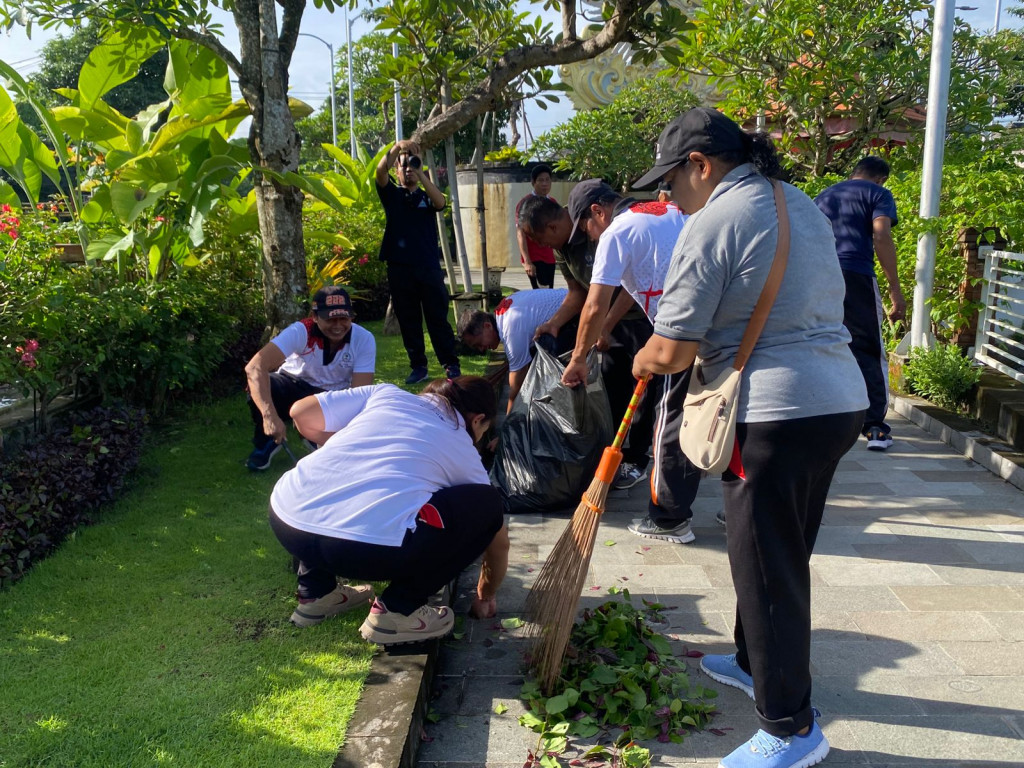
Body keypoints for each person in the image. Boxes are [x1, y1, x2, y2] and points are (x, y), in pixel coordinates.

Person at [630, 107, 867, 768]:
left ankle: (791, 729)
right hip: (838, 401)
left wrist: (642, 359)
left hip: (771, 415)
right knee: (782, 552)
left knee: (766, 571)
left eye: (670, 182)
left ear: (700, 166)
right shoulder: (799, 203)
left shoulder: (715, 220)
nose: (665, 196)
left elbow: (673, 348)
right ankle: (747, 658)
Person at [269, 376, 510, 644]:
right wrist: (485, 596)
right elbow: (498, 542)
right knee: (488, 504)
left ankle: (315, 593)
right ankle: (399, 610)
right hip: (360, 549)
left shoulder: (385, 394)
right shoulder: (462, 448)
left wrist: (350, 445)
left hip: (287, 519)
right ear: (477, 420)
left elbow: (300, 413)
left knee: (340, 483)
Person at [559, 179, 703, 545]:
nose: (591, 238)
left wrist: (578, 359)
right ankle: (740, 503)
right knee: (717, 411)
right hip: (720, 329)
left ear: (598, 211)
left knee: (669, 419)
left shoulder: (617, 232)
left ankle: (670, 518)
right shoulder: (672, 210)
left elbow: (594, 304)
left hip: (683, 333)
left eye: (588, 230)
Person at [517, 194, 654, 492]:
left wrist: (605, 324)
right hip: (608, 322)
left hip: (640, 316)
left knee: (644, 389)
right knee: (612, 386)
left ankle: (638, 459)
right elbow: (578, 293)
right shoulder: (563, 249)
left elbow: (634, 285)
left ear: (553, 226)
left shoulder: (595, 228)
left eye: (543, 240)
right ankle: (612, 455)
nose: (546, 248)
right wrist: (555, 322)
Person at [814, 156, 905, 451]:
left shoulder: (824, 196)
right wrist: (894, 289)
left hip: (818, 276)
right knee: (869, 348)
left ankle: (823, 420)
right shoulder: (878, 194)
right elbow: (881, 234)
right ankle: (875, 427)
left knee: (824, 345)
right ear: (880, 179)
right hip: (856, 276)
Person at [244, 286, 375, 471]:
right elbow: (254, 367)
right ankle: (268, 440)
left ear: (352, 317)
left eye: (344, 318)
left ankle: (314, 435)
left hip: (331, 395)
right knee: (259, 384)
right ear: (315, 317)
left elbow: (360, 393)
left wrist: (348, 434)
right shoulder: (301, 330)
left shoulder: (364, 338)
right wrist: (269, 416)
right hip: (292, 382)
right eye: (330, 319)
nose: (338, 326)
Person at [376, 139, 461, 385]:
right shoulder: (391, 194)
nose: (408, 169)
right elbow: (380, 173)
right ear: (397, 171)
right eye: (403, 166)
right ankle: (419, 367)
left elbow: (440, 203)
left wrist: (422, 173)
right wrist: (396, 149)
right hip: (399, 267)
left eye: (412, 165)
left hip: (428, 267)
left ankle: (450, 364)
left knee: (437, 318)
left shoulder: (427, 195)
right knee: (409, 319)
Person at [457, 288, 572, 410]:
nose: (481, 349)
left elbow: (516, 385)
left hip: (574, 311)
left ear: (487, 326)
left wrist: (509, 418)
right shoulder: (502, 314)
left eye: (478, 344)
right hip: (569, 305)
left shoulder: (510, 331)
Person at [515, 164, 558, 289]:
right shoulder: (525, 204)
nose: (545, 183)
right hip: (534, 257)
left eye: (547, 180)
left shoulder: (553, 203)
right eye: (540, 180)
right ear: (533, 182)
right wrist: (527, 261)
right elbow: (520, 233)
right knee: (540, 294)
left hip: (549, 258)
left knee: (549, 292)